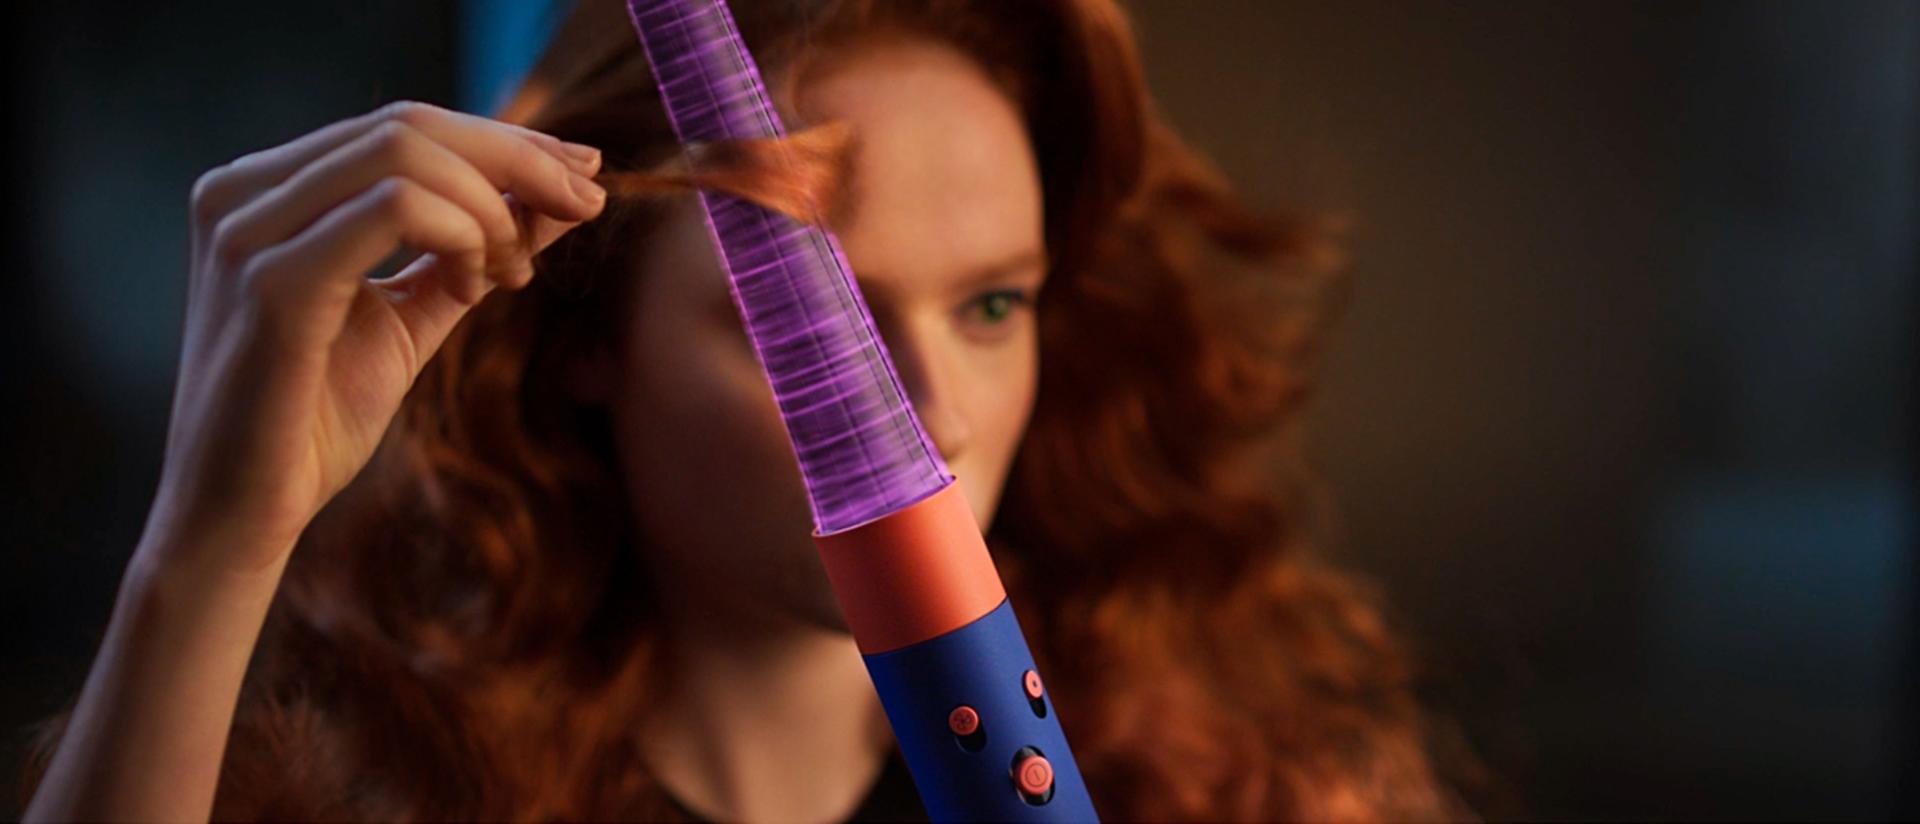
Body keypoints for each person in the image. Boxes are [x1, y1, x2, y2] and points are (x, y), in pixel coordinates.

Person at [20, 0, 1477, 820]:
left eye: (992, 305)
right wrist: (211, 547)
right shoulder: (379, 791)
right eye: (816, 325)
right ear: (596, 336)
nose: (931, 414)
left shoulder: (1236, 791)